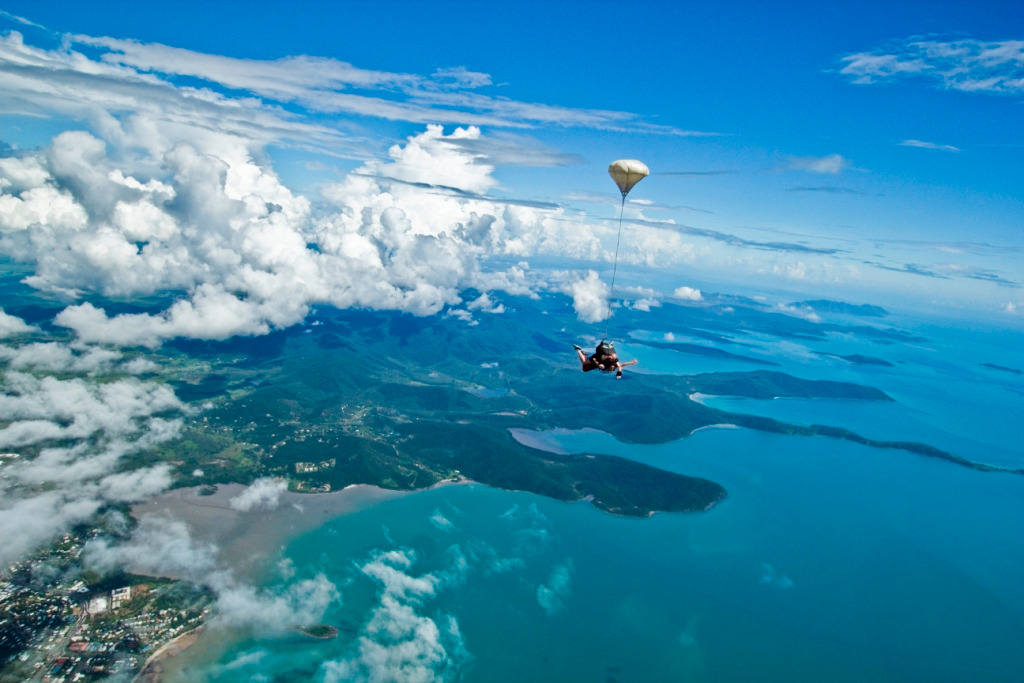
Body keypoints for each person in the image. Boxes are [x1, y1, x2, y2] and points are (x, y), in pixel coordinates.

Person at [573, 341, 638, 379]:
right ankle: (610, 347)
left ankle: (579, 350)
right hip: (602, 357)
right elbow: (621, 365)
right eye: (613, 368)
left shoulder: (604, 367)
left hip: (597, 358)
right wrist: (631, 362)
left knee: (584, 364)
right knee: (615, 360)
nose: (612, 367)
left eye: (611, 369)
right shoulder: (614, 364)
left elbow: (599, 364)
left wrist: (595, 361)